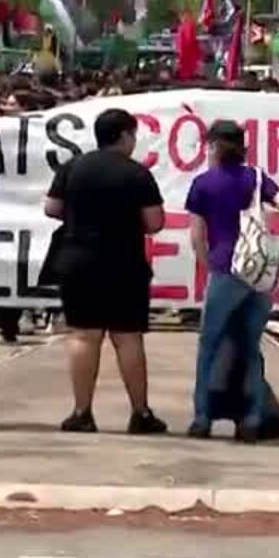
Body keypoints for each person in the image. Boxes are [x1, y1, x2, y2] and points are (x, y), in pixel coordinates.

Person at [43, 107, 168, 435]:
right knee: (127, 337)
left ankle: (81, 412)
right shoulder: (137, 173)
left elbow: (51, 208)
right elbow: (154, 222)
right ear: (125, 135)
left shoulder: (73, 167)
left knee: (84, 334)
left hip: (78, 260)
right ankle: (140, 413)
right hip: (124, 263)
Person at [183, 120, 279, 441]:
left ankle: (202, 416)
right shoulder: (259, 179)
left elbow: (196, 237)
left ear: (212, 147)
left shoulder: (203, 183)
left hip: (226, 267)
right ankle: (251, 418)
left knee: (209, 344)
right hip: (259, 273)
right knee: (250, 347)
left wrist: (209, 264)